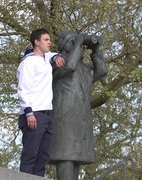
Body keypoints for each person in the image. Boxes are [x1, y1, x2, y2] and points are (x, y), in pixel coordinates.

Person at [49, 31, 107, 180]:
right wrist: (80, 40)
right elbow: (70, 66)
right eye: (73, 41)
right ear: (65, 45)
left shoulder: (84, 69)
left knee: (76, 157)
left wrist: (96, 51)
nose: (78, 46)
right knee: (65, 156)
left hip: (80, 118)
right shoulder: (57, 62)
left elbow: (101, 71)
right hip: (64, 117)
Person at [17, 28, 65, 177]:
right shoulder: (29, 62)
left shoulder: (45, 58)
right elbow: (23, 88)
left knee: (43, 156)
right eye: (46, 40)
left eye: (50, 40)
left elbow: (51, 56)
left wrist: (56, 57)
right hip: (33, 114)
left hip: (47, 114)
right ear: (37, 42)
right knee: (31, 154)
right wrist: (29, 113)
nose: (50, 42)